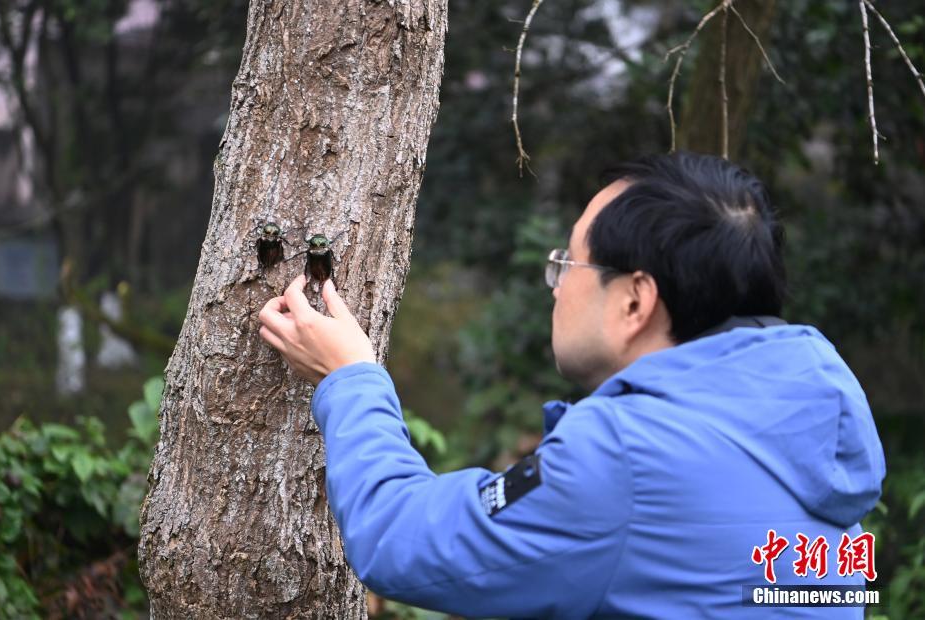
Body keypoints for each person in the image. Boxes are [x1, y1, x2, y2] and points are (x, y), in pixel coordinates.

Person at [258, 151, 886, 618]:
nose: (556, 285)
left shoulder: (626, 458)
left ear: (635, 300)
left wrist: (351, 379)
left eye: (569, 263)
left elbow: (402, 540)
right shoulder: (812, 444)